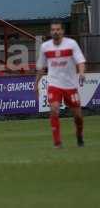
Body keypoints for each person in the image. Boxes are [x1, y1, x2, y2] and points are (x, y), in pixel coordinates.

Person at [36, 20, 86, 148]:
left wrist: (81, 73)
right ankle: (57, 142)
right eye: (53, 30)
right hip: (54, 83)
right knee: (54, 110)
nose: (55, 32)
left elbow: (80, 61)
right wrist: (36, 83)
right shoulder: (45, 47)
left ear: (62, 31)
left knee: (78, 116)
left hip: (70, 85)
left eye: (58, 29)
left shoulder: (71, 44)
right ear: (50, 32)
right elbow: (41, 67)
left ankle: (79, 135)